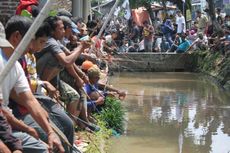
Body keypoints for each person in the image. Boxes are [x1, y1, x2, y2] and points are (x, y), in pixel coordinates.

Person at [1, 17, 64, 152]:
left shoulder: (16, 65)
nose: (31, 46)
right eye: (30, 40)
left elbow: (29, 100)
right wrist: (27, 128)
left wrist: (50, 132)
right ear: (16, 36)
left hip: (7, 123)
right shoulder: (2, 62)